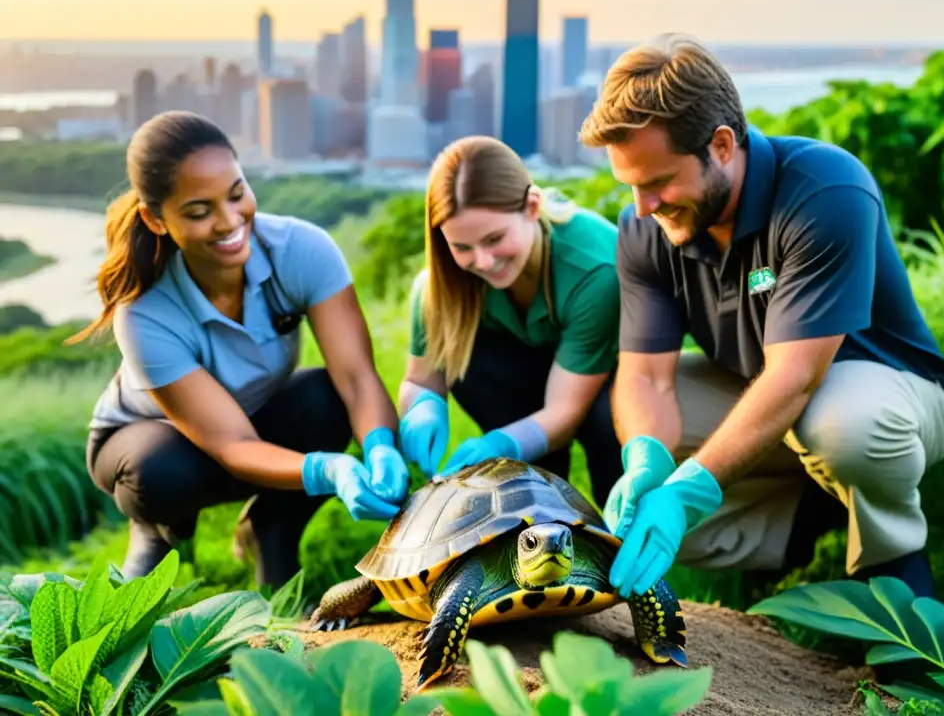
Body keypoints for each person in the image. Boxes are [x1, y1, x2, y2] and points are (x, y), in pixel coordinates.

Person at [576, 34, 944, 601]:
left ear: (722, 145)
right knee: (617, 429)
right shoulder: (645, 226)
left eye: (659, 182)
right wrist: (648, 462)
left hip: (888, 391)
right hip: (769, 400)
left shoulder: (824, 189)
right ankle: (811, 524)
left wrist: (689, 489)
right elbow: (646, 377)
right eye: (631, 185)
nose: (643, 207)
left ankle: (898, 590)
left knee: (841, 428)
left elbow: (795, 376)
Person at [69, 110, 409, 589]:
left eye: (237, 193)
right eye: (199, 210)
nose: (230, 221)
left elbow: (357, 378)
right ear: (156, 219)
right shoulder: (144, 310)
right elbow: (232, 445)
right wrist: (329, 469)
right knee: (158, 473)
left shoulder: (301, 250)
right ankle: (156, 530)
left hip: (251, 422)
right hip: (149, 442)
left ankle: (272, 528)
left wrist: (378, 447)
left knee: (328, 399)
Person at [396, 135, 623, 507]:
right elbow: (420, 379)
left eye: (494, 238)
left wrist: (500, 445)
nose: (483, 262)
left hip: (597, 383)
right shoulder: (438, 288)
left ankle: (615, 537)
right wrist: (421, 409)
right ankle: (532, 508)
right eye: (462, 247)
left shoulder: (594, 269)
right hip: (521, 377)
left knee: (607, 425)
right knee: (472, 360)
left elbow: (566, 412)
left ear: (532, 207)